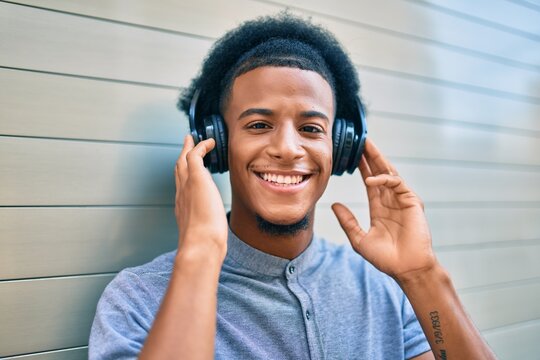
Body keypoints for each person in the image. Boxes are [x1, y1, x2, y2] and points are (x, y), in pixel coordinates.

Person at [89, 13, 496, 360]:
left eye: (311, 128)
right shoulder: (137, 299)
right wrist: (200, 253)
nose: (287, 148)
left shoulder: (385, 288)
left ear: (341, 148)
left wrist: (423, 274)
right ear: (216, 143)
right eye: (259, 125)